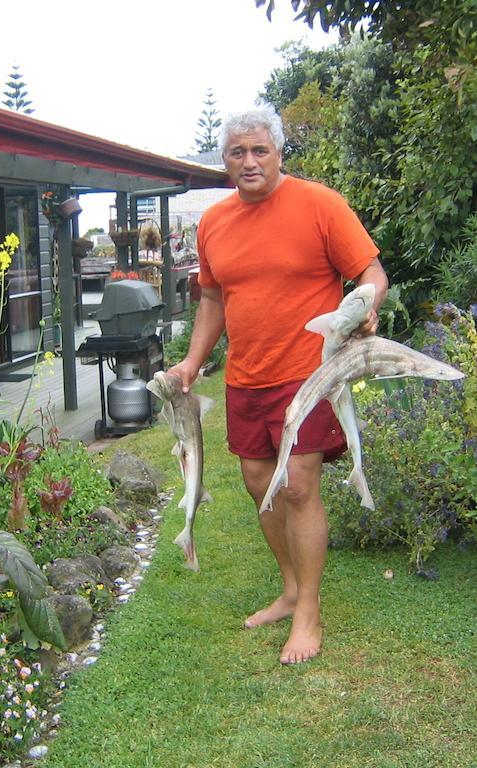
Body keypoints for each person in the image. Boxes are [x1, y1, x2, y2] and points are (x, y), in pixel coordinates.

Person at [166, 105, 388, 664]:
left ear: (279, 152)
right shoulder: (214, 222)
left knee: (297, 486)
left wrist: (365, 306)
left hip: (308, 375)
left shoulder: (319, 204)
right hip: (247, 376)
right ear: (224, 161)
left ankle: (309, 611)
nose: (249, 161)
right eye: (237, 152)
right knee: (258, 481)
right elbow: (214, 299)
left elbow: (371, 274)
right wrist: (192, 362)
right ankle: (290, 589)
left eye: (259, 150)